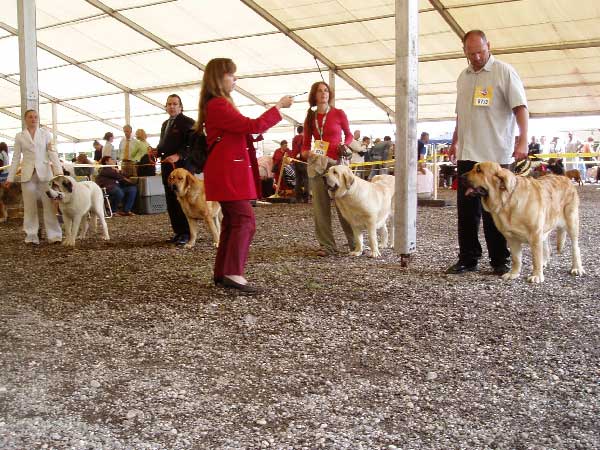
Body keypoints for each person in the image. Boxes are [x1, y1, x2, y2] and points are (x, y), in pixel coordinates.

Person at [199, 57, 293, 292]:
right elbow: (253, 125)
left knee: (232, 221)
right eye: (231, 75)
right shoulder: (219, 105)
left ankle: (222, 272)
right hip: (228, 173)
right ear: (219, 78)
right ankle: (233, 272)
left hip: (225, 172)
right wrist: (278, 107)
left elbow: (241, 130)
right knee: (244, 220)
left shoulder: (215, 105)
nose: (235, 79)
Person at [446, 29, 528, 276]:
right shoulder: (463, 77)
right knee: (467, 212)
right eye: (471, 53)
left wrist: (523, 140)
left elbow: (520, 108)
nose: (476, 57)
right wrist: (454, 141)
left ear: (488, 46)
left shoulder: (504, 72)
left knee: (498, 210)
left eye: (480, 52)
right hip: (468, 154)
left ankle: (500, 259)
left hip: (496, 156)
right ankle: (468, 258)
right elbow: (462, 114)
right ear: (464, 52)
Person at [301, 81, 355, 257]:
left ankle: (355, 242)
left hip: (337, 164)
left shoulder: (339, 113)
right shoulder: (310, 118)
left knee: (344, 204)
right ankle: (327, 245)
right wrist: (306, 153)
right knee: (320, 207)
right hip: (318, 163)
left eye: (326, 91)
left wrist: (344, 145)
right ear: (314, 95)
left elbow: (349, 135)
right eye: (320, 91)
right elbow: (305, 143)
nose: (324, 93)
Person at [4, 109, 63, 244]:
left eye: (36, 117)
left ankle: (54, 236)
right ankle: (31, 236)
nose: (33, 119)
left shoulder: (46, 134)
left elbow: (53, 153)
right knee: (30, 207)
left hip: (45, 174)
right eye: (30, 117)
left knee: (49, 205)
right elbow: (16, 158)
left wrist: (59, 173)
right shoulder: (20, 136)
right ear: (25, 119)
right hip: (27, 175)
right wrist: (10, 178)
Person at [156, 94, 195, 245]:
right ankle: (178, 232)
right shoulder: (165, 124)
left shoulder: (188, 123)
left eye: (174, 104)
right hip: (168, 168)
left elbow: (192, 144)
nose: (171, 106)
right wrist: (156, 151)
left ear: (180, 106)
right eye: (169, 104)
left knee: (184, 201)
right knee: (171, 200)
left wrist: (179, 155)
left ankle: (188, 232)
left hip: (182, 169)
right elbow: (164, 145)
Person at [290, 125, 309, 202]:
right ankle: (306, 197)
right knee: (306, 179)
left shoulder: (294, 138)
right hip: (302, 160)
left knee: (298, 179)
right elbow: (301, 148)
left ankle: (298, 197)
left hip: (295, 160)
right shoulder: (302, 138)